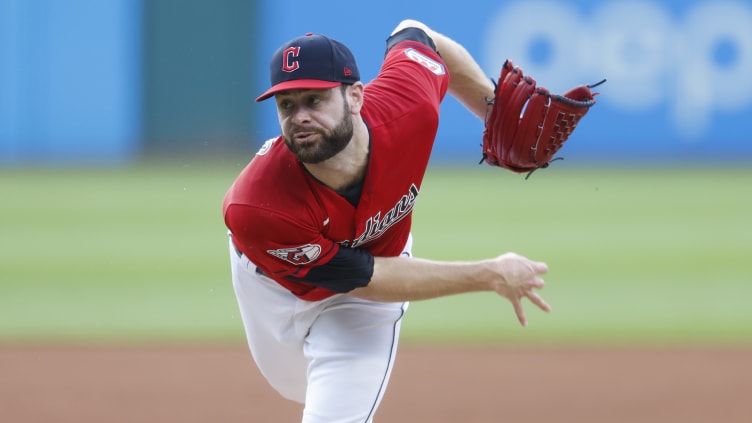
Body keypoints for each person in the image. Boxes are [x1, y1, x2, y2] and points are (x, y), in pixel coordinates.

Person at [223, 19, 551, 422]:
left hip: (364, 301)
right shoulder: (256, 207)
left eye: (314, 100)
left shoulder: (409, 108)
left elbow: (416, 32)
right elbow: (362, 274)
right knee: (291, 384)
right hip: (271, 287)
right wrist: (488, 274)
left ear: (356, 96)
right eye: (287, 105)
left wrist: (494, 109)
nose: (300, 116)